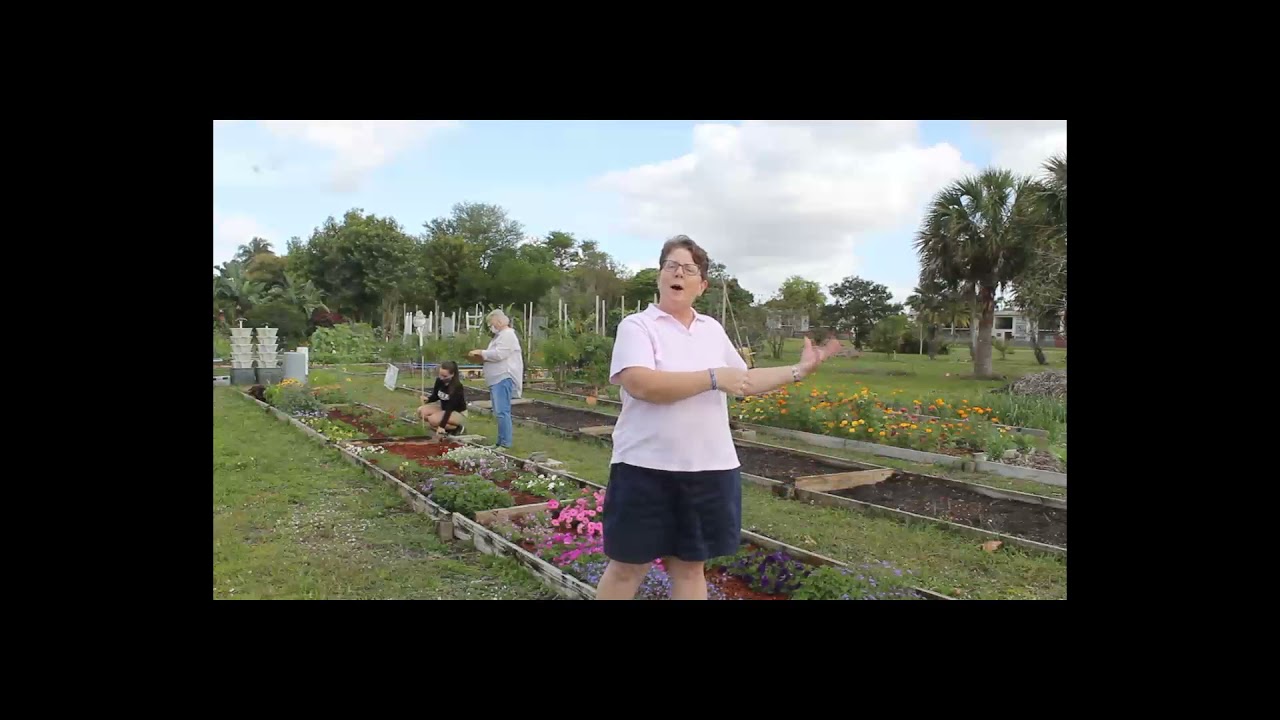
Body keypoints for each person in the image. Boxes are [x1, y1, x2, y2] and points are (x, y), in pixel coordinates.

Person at [596, 235, 841, 600]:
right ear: (659, 276)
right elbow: (641, 384)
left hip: (708, 468)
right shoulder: (638, 326)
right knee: (627, 567)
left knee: (691, 568)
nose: (679, 273)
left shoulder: (711, 328)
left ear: (702, 284)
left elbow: (741, 380)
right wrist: (712, 377)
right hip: (644, 467)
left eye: (689, 269)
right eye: (671, 266)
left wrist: (797, 370)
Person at [468, 309, 523, 449]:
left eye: (491, 323)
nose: (491, 326)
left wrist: (482, 353)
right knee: (498, 411)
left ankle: (505, 443)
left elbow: (499, 354)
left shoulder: (508, 335)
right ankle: (500, 441)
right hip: (496, 378)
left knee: (502, 411)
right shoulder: (500, 336)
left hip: (503, 377)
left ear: (499, 321)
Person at [416, 361, 468, 436]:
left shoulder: (457, 387)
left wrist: (442, 426)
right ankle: (444, 428)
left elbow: (450, 408)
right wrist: (428, 399)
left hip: (457, 412)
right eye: (440, 375)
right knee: (421, 411)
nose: (441, 378)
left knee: (432, 420)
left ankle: (457, 428)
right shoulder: (439, 381)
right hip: (444, 409)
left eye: (445, 376)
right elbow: (436, 395)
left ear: (452, 374)